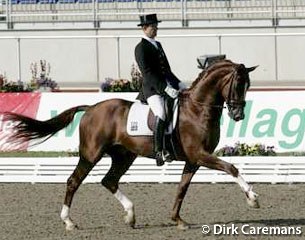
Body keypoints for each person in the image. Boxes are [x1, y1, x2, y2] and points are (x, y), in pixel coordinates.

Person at [134, 13, 186, 166]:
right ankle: (159, 151)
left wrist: (179, 84)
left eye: (156, 26)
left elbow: (166, 70)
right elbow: (148, 74)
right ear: (144, 28)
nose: (156, 29)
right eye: (153, 27)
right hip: (151, 90)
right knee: (161, 113)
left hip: (165, 87)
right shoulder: (141, 48)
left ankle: (173, 144)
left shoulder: (158, 45)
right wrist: (165, 88)